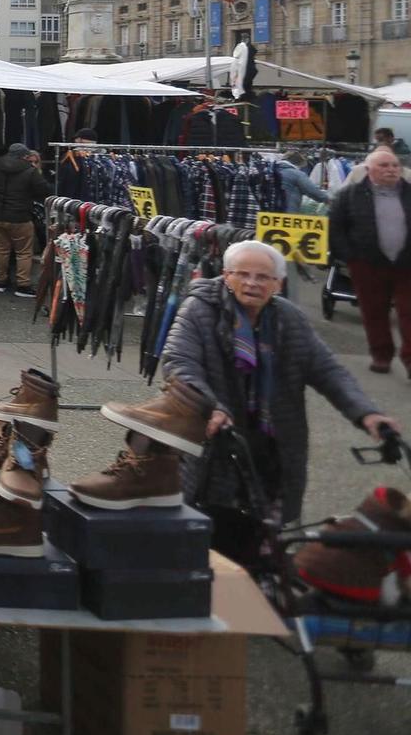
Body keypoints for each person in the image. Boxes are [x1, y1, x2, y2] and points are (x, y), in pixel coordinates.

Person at [158, 240, 396, 555]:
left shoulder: (288, 318)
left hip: (274, 446)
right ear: (226, 276)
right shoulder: (200, 310)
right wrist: (210, 406)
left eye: (262, 277)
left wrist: (366, 414)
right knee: (210, 532)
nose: (251, 283)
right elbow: (179, 362)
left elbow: (328, 370)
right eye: (242, 274)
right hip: (217, 442)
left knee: (266, 537)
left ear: (278, 284)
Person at [331, 148, 411, 374]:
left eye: (395, 165)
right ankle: (381, 355)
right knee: (374, 312)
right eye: (384, 166)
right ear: (368, 170)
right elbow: (336, 227)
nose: (391, 170)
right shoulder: (349, 196)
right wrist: (349, 257)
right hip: (367, 263)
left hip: (407, 264)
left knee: (409, 312)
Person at [0, 142, 50, 296]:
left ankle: (0, 282)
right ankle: (22, 285)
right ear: (24, 156)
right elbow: (43, 190)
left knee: (1, 250)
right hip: (20, 217)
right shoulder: (30, 171)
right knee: (24, 252)